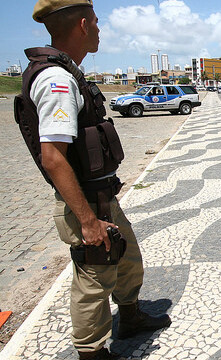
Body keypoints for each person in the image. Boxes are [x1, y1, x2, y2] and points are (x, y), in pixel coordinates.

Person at [15, 1, 170, 359]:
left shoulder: (67, 71)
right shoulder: (56, 79)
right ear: (83, 25)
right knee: (94, 282)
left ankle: (130, 316)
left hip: (103, 197)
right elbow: (53, 157)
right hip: (85, 204)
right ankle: (91, 352)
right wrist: (87, 220)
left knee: (128, 259)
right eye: (97, 23)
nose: (100, 30)